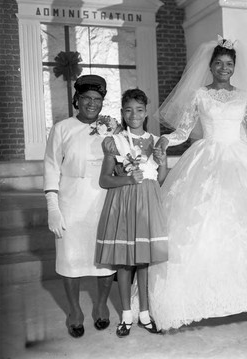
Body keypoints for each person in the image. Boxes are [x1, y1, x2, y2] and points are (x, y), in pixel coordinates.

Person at [147, 36, 247, 330]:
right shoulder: (199, 95)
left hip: (240, 159)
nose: (224, 68)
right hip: (205, 158)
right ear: (210, 66)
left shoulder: (244, 97)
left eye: (229, 64)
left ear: (234, 67)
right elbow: (183, 132)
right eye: (219, 63)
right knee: (199, 221)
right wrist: (164, 139)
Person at [43, 74, 117, 338]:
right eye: (86, 98)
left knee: (105, 259)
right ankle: (75, 311)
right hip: (71, 200)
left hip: (102, 200)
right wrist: (53, 206)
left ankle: (100, 305)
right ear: (77, 99)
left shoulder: (111, 128)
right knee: (69, 258)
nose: (92, 104)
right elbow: (51, 167)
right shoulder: (62, 128)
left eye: (97, 99)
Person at [95, 89, 168, 337]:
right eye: (128, 110)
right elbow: (104, 180)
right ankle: (126, 314)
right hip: (124, 203)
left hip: (147, 203)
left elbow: (160, 178)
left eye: (139, 109)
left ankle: (145, 314)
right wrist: (127, 178)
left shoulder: (155, 141)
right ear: (122, 114)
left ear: (146, 112)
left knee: (143, 260)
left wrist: (163, 161)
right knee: (125, 262)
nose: (133, 115)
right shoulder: (115, 141)